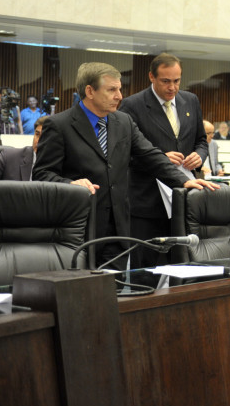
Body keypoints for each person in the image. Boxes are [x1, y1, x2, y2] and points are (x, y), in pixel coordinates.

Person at [33, 62, 217, 269]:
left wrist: (184, 182)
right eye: (112, 90)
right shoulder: (59, 125)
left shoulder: (124, 122)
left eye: (119, 89)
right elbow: (41, 174)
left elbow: (150, 156)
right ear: (90, 91)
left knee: (116, 292)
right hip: (77, 229)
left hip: (118, 229)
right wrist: (69, 183)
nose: (119, 96)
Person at [118, 53, 210, 268]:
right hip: (147, 203)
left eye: (177, 81)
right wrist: (160, 157)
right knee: (146, 268)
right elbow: (123, 153)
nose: (172, 87)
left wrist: (199, 155)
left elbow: (201, 141)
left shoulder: (190, 100)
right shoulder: (132, 105)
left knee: (184, 266)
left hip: (184, 200)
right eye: (166, 81)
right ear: (152, 77)